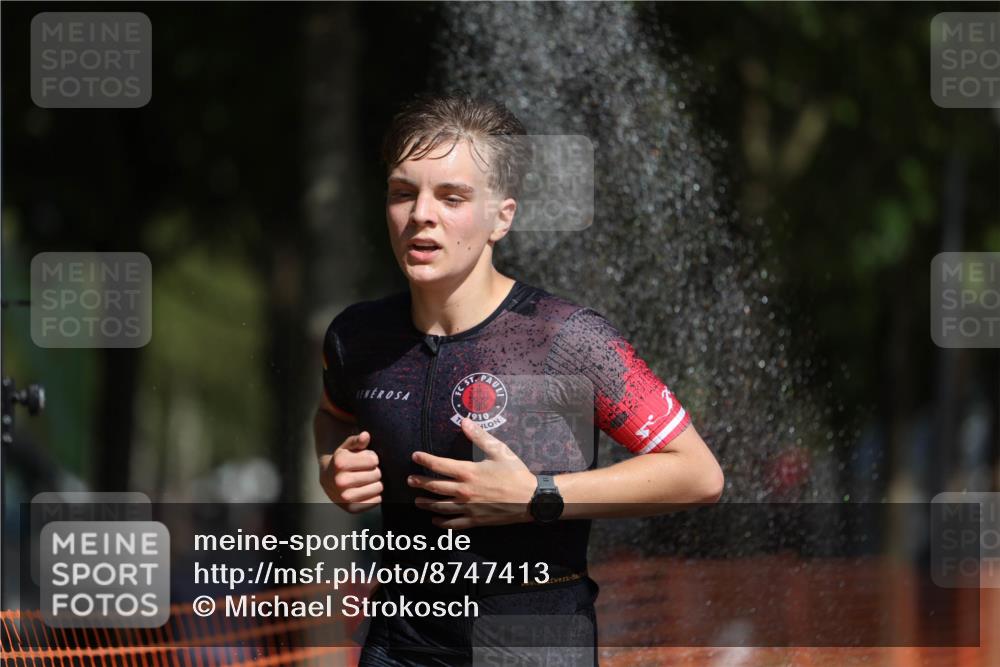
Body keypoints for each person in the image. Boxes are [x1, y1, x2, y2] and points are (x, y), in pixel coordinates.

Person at [313, 92, 725, 666]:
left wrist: (538, 496)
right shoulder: (356, 337)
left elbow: (697, 473)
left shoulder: (567, 339)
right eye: (403, 193)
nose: (421, 214)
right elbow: (333, 415)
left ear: (501, 216)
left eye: (452, 197)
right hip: (399, 645)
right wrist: (333, 466)